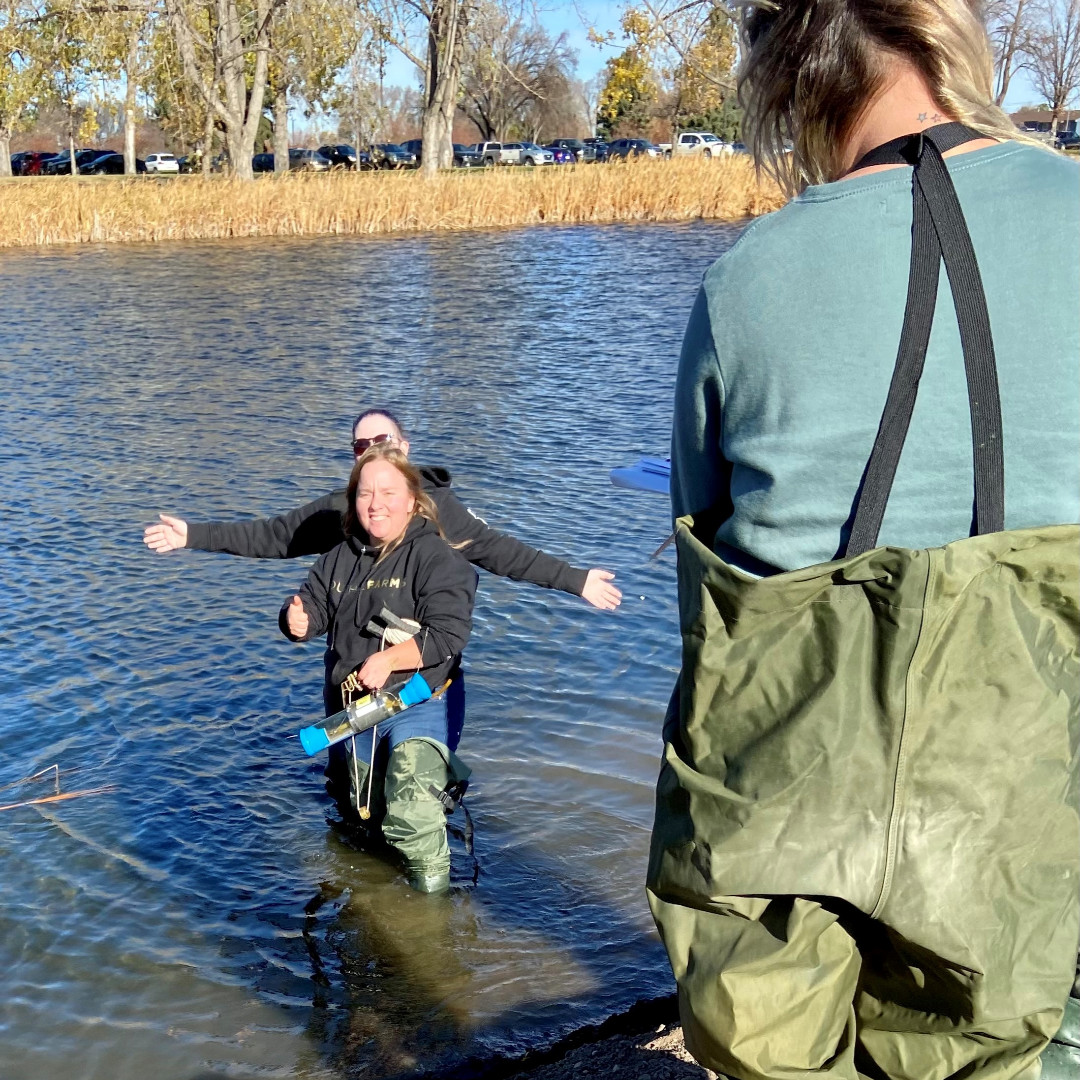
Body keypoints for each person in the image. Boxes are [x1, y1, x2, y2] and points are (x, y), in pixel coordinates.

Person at [646, 3, 1079, 1080]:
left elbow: (708, 601)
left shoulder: (745, 281)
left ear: (789, 81)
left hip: (794, 819)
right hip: (1038, 807)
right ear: (947, 38)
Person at [143, 407, 622, 611]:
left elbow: (500, 552)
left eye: (383, 439)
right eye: (361, 445)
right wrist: (192, 535)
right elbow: (273, 537)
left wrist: (575, 580)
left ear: (404, 446)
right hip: (353, 654)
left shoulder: (440, 509)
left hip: (420, 650)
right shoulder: (342, 511)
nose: (372, 448)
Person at [283, 443, 476, 894]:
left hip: (417, 702)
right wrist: (296, 621)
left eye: (388, 492)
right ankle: (377, 902)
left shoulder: (435, 556)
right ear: (353, 502)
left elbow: (449, 635)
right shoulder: (338, 557)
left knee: (411, 814)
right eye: (365, 493)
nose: (376, 503)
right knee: (361, 818)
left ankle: (432, 920)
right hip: (355, 712)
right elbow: (312, 605)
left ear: (412, 498)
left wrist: (390, 658)